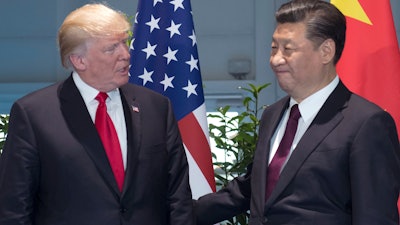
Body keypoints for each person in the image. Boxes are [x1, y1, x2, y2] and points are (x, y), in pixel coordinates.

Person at [195, 0, 400, 224]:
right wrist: (173, 213)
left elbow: (375, 217)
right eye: (273, 48)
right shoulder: (272, 115)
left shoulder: (366, 123)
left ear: (326, 51)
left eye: (288, 49)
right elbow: (250, 189)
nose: (276, 59)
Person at [0, 3, 194, 225]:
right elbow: (14, 208)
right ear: (79, 60)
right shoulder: (34, 115)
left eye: (124, 42)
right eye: (111, 48)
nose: (126, 54)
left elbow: (178, 197)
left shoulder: (157, 107)